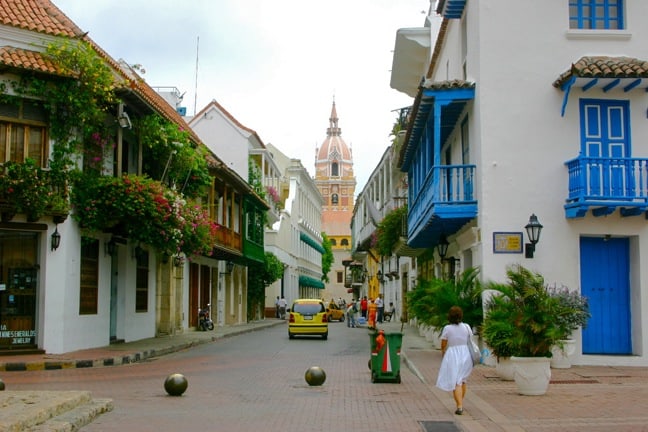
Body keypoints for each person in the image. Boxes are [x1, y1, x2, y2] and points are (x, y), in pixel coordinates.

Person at [436, 306, 474, 415]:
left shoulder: (447, 328)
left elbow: (443, 343)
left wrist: (443, 352)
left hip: (453, 355)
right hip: (466, 354)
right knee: (462, 380)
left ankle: (459, 406)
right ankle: (460, 401)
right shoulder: (466, 327)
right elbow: (470, 340)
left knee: (456, 381)